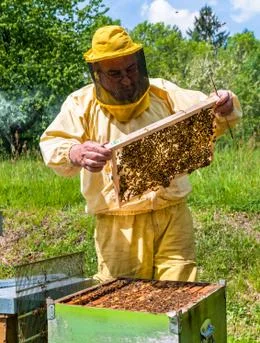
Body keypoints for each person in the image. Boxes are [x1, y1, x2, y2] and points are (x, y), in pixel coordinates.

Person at [40, 25, 242, 283]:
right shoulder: (80, 104)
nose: (126, 79)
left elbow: (207, 112)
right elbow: (52, 142)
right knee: (124, 302)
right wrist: (75, 151)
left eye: (131, 69)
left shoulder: (163, 92)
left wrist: (224, 102)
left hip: (172, 213)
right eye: (115, 73)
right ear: (98, 74)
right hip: (119, 225)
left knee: (181, 293)